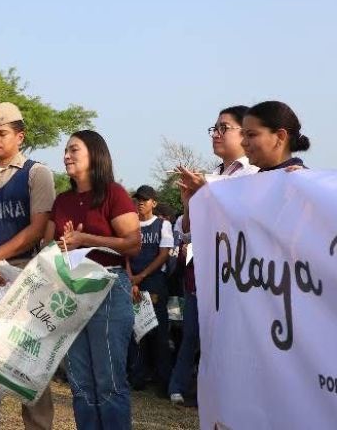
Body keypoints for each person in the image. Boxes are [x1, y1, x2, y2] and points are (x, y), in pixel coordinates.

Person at [0, 102, 56, 430]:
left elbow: (37, 226)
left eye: (2, 133)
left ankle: (38, 425)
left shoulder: (36, 173)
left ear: (20, 136)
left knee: (31, 357)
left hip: (23, 273)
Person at [47, 130, 141, 430]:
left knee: (109, 381)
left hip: (109, 288)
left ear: (95, 155)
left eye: (74, 149)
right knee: (80, 382)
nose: (66, 155)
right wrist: (60, 246)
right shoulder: (62, 200)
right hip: (71, 290)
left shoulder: (114, 193)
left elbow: (133, 242)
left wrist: (86, 238)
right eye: (65, 150)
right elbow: (49, 245)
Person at [171, 105, 259, 406]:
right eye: (214, 129)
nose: (217, 134)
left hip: (242, 280)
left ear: (245, 132)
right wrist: (189, 203)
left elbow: (242, 210)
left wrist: (206, 188)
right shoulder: (213, 176)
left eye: (225, 128)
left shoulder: (254, 172)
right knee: (208, 346)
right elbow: (186, 233)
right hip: (209, 277)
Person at [127, 184, 174, 395]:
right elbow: (125, 253)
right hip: (132, 282)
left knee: (158, 331)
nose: (140, 203)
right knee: (136, 330)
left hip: (154, 281)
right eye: (137, 199)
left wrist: (142, 276)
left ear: (154, 203)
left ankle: (163, 381)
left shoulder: (162, 225)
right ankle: (137, 377)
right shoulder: (130, 225)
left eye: (144, 200)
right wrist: (131, 280)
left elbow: (164, 254)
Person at [240, 100, 310, 171]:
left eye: (251, 135)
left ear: (280, 136)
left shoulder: (302, 178)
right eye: (243, 135)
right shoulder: (250, 179)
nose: (243, 143)